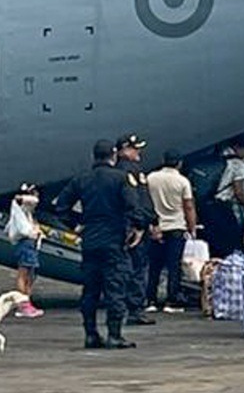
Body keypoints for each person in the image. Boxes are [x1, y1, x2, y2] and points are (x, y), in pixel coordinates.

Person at [54, 140, 147, 349]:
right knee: (116, 287)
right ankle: (114, 334)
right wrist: (138, 227)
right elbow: (133, 206)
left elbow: (61, 206)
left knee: (90, 290)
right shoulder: (121, 178)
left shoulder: (81, 179)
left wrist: (76, 224)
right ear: (113, 155)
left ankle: (90, 333)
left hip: (90, 239)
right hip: (114, 239)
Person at [145, 149, 197, 313]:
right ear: (179, 163)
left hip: (156, 226)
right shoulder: (182, 181)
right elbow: (188, 206)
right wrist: (192, 227)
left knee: (154, 265)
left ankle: (150, 300)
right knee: (173, 265)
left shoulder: (151, 178)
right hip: (176, 226)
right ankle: (171, 301)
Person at [115, 134, 158, 325]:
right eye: (135, 148)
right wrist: (145, 223)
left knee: (122, 268)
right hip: (134, 228)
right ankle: (135, 309)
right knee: (137, 268)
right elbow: (139, 201)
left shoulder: (115, 171)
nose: (138, 152)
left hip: (120, 226)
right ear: (125, 150)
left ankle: (121, 307)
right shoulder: (131, 172)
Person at [4, 183, 45, 318]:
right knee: (24, 274)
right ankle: (23, 305)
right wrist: (29, 194)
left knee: (31, 274)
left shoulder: (27, 213)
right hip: (25, 242)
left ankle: (26, 301)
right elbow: (32, 200)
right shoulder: (19, 204)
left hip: (30, 244)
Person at [215, 142, 244, 252]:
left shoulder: (222, 161)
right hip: (224, 205)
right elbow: (239, 191)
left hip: (212, 203)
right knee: (232, 238)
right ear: (236, 148)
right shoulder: (238, 164)